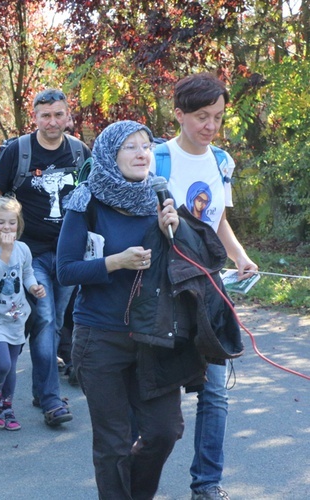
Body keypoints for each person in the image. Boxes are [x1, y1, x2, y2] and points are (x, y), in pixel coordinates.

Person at [57, 120, 188, 498]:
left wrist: (175, 234)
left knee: (165, 431)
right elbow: (65, 270)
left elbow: (184, 268)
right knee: (113, 444)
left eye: (146, 145)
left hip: (154, 335)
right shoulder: (87, 201)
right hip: (101, 337)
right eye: (130, 146)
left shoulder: (162, 198)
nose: (141, 153)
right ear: (109, 155)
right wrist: (116, 262)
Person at [153, 73, 258, 500]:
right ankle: (137, 482)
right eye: (201, 116)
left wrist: (240, 256)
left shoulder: (222, 162)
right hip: (162, 293)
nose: (210, 125)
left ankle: (207, 484)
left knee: (215, 394)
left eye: (217, 116)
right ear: (178, 114)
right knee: (159, 397)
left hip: (210, 291)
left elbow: (218, 221)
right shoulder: (155, 158)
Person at [0, 88, 89, 426]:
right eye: (46, 116)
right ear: (35, 117)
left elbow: (93, 193)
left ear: (67, 116)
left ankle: (41, 389)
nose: (53, 121)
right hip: (32, 256)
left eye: (59, 115)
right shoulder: (19, 151)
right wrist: (4, 238)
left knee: (55, 323)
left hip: (69, 256)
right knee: (43, 319)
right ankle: (51, 401)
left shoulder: (79, 151)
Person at [0, 196, 45, 431]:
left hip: (16, 316)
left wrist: (34, 287)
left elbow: (27, 274)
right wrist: (5, 252)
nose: (6, 228)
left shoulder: (23, 249)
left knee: (12, 365)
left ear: (19, 225)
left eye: (12, 223)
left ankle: (7, 406)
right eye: (1, 222)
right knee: (2, 364)